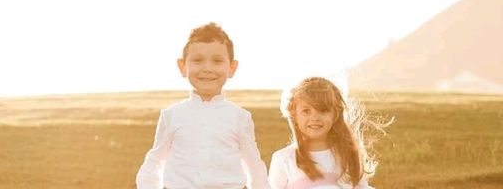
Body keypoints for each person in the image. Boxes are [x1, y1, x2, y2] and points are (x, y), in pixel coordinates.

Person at [135, 22, 271, 189]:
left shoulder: (240, 118)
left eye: (217, 61)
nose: (207, 68)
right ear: (182, 66)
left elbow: (255, 168)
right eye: (198, 60)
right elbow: (154, 162)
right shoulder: (171, 115)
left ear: (232, 67)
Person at [268, 77, 376, 189]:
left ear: (335, 115)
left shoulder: (348, 154)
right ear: (294, 115)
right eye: (306, 111)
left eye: (323, 110)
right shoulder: (284, 159)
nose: (315, 118)